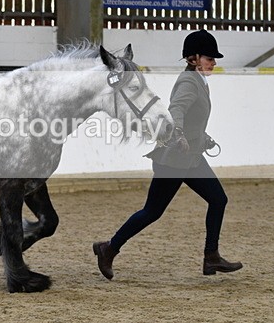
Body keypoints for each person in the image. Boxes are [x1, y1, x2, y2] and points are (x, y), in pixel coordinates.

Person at [93, 30, 242, 279]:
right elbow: (177, 110)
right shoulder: (188, 82)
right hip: (175, 158)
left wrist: (201, 137)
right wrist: (179, 133)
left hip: (191, 157)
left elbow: (192, 118)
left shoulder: (199, 81)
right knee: (152, 211)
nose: (214, 63)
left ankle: (211, 257)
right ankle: (109, 248)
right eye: (209, 58)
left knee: (218, 200)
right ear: (193, 59)